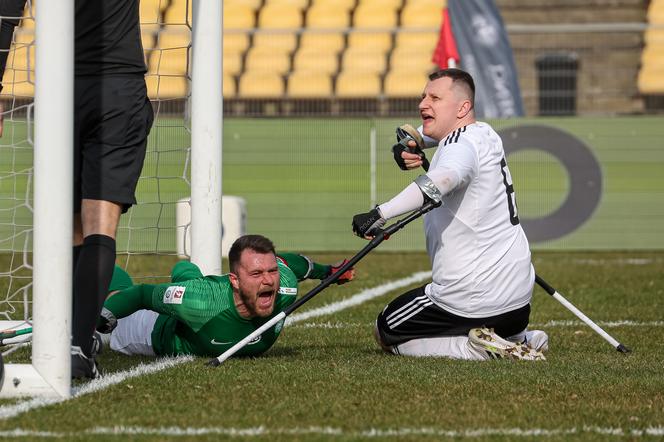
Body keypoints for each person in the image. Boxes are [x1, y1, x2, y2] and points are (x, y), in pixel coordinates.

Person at [0, 0, 153, 378]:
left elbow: (5, 14)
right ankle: (77, 347)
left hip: (61, 92)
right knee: (100, 222)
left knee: (73, 227)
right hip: (117, 85)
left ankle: (65, 336)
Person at [351, 68, 548, 361]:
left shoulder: (460, 147)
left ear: (463, 107)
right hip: (518, 303)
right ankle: (519, 338)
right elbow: (442, 137)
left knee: (386, 329)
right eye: (423, 97)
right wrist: (415, 142)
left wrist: (380, 213)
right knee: (498, 318)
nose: (422, 104)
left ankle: (475, 350)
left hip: (470, 299)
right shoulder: (485, 134)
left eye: (434, 98)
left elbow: (440, 180)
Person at [96, 234, 355, 359]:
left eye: (271, 271)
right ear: (235, 280)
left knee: (191, 280)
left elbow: (293, 263)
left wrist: (329, 272)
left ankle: (186, 272)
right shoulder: (199, 303)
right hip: (153, 331)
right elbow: (142, 294)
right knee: (111, 298)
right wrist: (104, 314)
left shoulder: (284, 286)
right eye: (256, 273)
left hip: (200, 292)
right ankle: (90, 260)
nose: (268, 280)